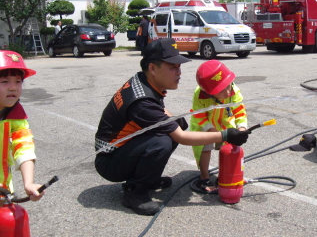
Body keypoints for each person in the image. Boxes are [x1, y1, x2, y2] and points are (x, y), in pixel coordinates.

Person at [94, 38, 250, 215]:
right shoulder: (142, 102)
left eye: (179, 67)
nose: (179, 72)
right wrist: (226, 135)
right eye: (172, 67)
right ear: (153, 68)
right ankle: (135, 192)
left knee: (171, 129)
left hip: (121, 150)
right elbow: (182, 138)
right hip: (109, 160)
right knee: (163, 142)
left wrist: (173, 118)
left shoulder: (143, 80)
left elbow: (159, 108)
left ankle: (148, 179)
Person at [190, 60, 247, 193]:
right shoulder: (200, 94)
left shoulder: (233, 90)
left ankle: (225, 175)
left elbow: (239, 110)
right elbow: (199, 116)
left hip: (224, 122)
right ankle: (204, 178)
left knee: (229, 147)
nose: (228, 92)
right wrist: (214, 133)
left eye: (228, 86)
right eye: (222, 90)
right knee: (205, 147)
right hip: (204, 125)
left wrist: (242, 128)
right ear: (209, 92)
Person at [0, 50, 44, 203]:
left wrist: (29, 183)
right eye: (4, 82)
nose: (13, 88)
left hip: (3, 191)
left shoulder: (15, 113)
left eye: (18, 81)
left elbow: (24, 147)